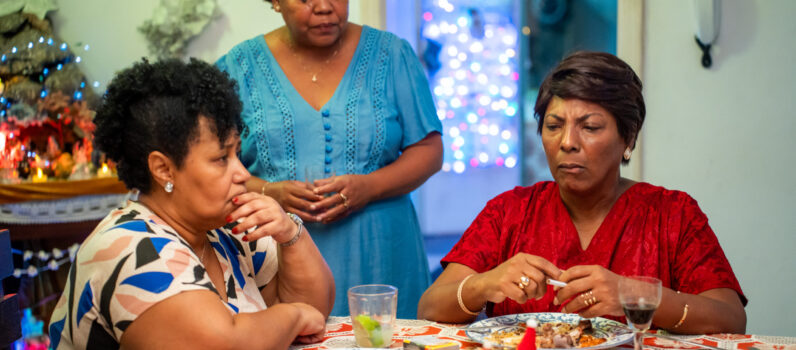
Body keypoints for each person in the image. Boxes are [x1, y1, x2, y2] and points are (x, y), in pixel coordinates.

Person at [418, 51, 747, 334]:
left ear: (628, 138)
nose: (567, 142)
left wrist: (634, 294)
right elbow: (429, 308)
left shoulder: (671, 213)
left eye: (589, 127)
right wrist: (485, 283)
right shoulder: (509, 212)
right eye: (553, 125)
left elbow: (731, 318)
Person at [48, 59, 335, 349]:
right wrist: (294, 315)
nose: (243, 174)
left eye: (237, 154)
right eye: (222, 158)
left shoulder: (226, 230)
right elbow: (225, 344)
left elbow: (314, 311)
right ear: (164, 169)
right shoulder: (128, 247)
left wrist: (289, 232)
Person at [216, 0, 442, 318]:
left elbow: (430, 151)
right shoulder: (237, 68)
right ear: (276, 2)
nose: (324, 7)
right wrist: (270, 192)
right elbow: (214, 166)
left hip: (381, 249)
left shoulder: (392, 55)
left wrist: (370, 187)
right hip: (276, 254)